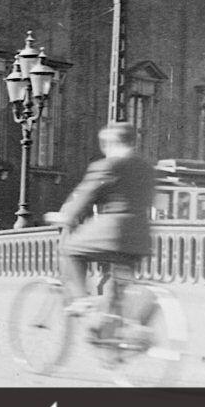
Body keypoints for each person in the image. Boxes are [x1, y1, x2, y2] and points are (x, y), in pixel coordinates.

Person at [45, 121, 154, 315]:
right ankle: (114, 329)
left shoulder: (107, 165)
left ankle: (81, 300)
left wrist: (64, 216)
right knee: (119, 281)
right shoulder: (146, 167)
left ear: (110, 143)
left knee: (70, 250)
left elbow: (85, 195)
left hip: (114, 232)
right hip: (141, 236)